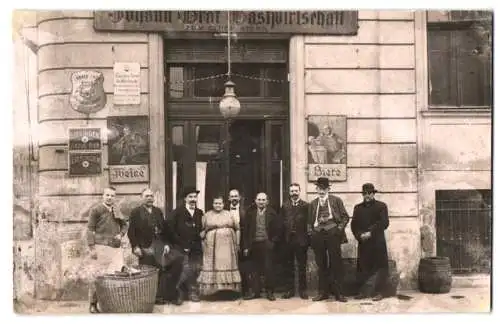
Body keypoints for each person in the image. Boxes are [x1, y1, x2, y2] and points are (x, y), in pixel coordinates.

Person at [127, 188, 184, 305]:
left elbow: (164, 230)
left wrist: (167, 244)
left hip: (160, 246)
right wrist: (135, 247)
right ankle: (150, 297)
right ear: (141, 197)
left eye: (151, 196)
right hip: (145, 248)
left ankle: (166, 295)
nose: (149, 198)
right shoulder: (135, 212)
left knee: (171, 266)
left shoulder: (158, 211)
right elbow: (131, 232)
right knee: (149, 273)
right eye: (147, 196)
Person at [86, 187, 128, 313]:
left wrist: (121, 234)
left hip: (115, 248)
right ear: (103, 196)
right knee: (98, 276)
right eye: (107, 195)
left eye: (112, 196)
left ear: (115, 197)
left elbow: (125, 224)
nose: (110, 198)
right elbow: (90, 230)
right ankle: (93, 304)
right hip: (101, 247)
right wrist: (92, 248)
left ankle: (111, 303)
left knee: (114, 275)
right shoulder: (96, 210)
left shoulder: (117, 209)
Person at [308, 177, 349, 302]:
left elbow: (345, 217)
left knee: (336, 263)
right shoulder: (313, 203)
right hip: (318, 235)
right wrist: (312, 233)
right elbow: (309, 221)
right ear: (316, 189)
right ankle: (323, 293)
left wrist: (339, 229)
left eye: (324, 189)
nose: (321, 191)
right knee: (321, 264)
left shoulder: (336, 200)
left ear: (328, 189)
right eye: (319, 188)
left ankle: (338, 293)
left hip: (333, 234)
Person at [351, 183, 390, 302]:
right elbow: (354, 225)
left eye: (369, 193)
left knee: (380, 267)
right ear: (363, 195)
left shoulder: (381, 206)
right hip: (363, 243)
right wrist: (359, 235)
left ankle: (380, 292)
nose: (367, 196)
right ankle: (363, 292)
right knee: (363, 267)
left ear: (373, 194)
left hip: (377, 242)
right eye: (365, 193)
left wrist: (371, 233)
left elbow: (384, 223)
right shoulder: (357, 208)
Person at [241, 192, 282, 301]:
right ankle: (256, 292)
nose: (261, 202)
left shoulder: (272, 213)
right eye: (259, 200)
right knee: (254, 269)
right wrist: (246, 246)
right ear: (255, 201)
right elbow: (245, 231)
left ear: (267, 201)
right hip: (253, 244)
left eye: (263, 200)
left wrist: (272, 242)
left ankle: (269, 292)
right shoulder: (250, 214)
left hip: (266, 244)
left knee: (268, 268)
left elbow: (278, 231)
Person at [198, 195, 241, 296]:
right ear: (213, 204)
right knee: (213, 266)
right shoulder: (207, 215)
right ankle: (213, 292)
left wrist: (237, 243)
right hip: (212, 246)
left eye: (220, 203)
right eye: (216, 203)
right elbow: (202, 230)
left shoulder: (229, 214)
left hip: (228, 247)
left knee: (227, 265)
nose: (218, 205)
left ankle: (229, 291)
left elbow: (238, 229)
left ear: (223, 204)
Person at [166, 186, 204, 302]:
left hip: (195, 248)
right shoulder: (177, 213)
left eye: (195, 197)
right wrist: (181, 244)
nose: (193, 199)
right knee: (181, 270)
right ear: (185, 199)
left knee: (195, 269)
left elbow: (201, 230)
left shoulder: (199, 213)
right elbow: (169, 230)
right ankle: (179, 294)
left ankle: (193, 292)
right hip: (180, 247)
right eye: (190, 197)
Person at [280, 183, 309, 300]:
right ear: (289, 192)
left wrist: (307, 241)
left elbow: (309, 224)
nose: (294, 193)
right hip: (288, 241)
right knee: (288, 267)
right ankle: (289, 290)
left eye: (296, 191)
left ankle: (303, 291)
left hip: (301, 241)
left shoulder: (306, 206)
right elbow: (282, 223)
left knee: (302, 266)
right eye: (292, 191)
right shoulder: (285, 206)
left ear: (300, 191)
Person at [228, 189, 250, 297]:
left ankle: (244, 291)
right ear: (229, 198)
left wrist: (245, 246)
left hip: (241, 241)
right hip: (228, 242)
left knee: (243, 267)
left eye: (236, 196)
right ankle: (231, 291)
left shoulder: (245, 211)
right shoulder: (225, 211)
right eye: (232, 196)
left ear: (239, 198)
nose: (234, 198)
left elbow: (247, 230)